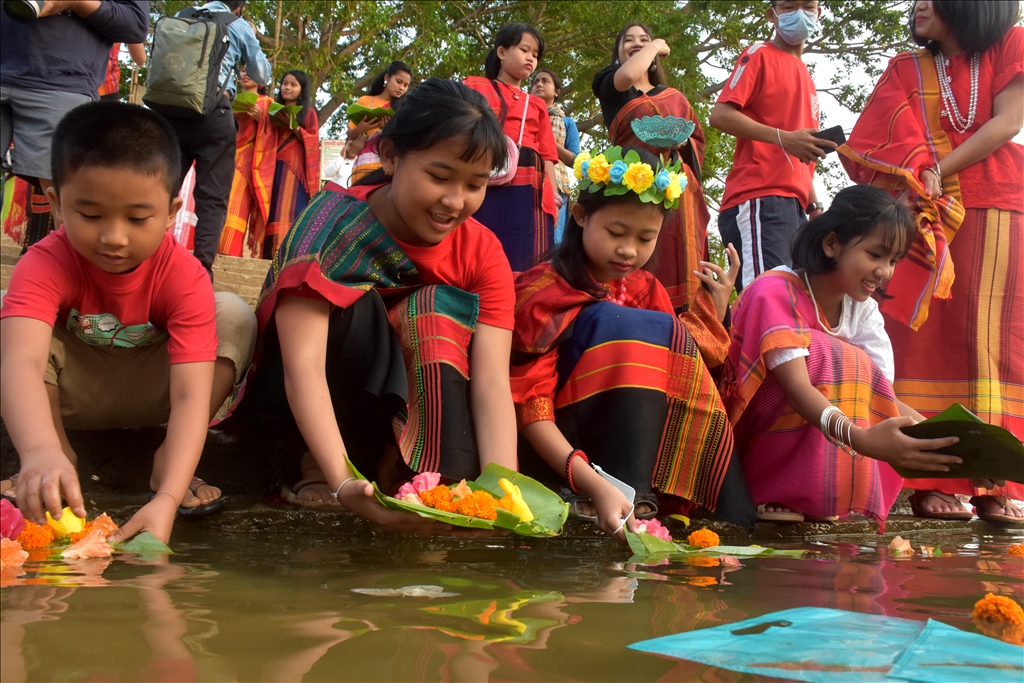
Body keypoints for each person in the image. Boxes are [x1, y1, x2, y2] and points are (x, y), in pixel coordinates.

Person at [235, 79, 517, 534]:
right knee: (367, 305)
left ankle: (427, 475)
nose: (454, 201)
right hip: (310, 407)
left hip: (406, 418)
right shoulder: (332, 225)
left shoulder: (482, 251)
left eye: (475, 185)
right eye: (440, 177)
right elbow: (302, 367)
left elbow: (489, 384)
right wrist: (341, 480)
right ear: (389, 156)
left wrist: (507, 492)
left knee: (436, 309)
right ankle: (314, 465)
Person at [0, 102, 257, 543]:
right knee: (8, 313)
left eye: (138, 218)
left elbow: (193, 393)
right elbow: (21, 363)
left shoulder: (183, 274)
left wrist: (170, 498)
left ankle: (168, 466)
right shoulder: (43, 263)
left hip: (156, 392)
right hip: (72, 394)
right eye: (91, 215)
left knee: (234, 314)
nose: (114, 237)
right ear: (58, 204)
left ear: (172, 210)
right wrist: (39, 450)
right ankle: (54, 461)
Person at [839, 0, 1024, 524]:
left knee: (990, 345)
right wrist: (924, 183)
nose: (918, 4)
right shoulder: (904, 67)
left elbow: (1009, 123)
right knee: (919, 340)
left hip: (997, 207)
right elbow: (874, 141)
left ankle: (997, 479)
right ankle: (929, 479)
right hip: (921, 214)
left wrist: (937, 169)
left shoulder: (1011, 43)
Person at [512, 145, 754, 543]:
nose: (629, 251)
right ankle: (613, 494)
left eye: (646, 238)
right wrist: (588, 479)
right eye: (616, 233)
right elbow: (529, 402)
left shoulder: (646, 287)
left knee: (661, 334)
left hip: (627, 446)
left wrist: (717, 305)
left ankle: (648, 498)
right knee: (621, 322)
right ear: (580, 215)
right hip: (558, 449)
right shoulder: (541, 290)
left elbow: (681, 368)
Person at [720, 186, 964, 526]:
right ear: (831, 243)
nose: (885, 271)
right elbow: (796, 387)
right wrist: (860, 439)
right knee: (831, 355)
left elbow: (882, 398)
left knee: (856, 370)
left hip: (819, 423)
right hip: (745, 431)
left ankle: (819, 492)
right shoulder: (774, 290)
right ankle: (771, 488)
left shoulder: (863, 312)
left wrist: (961, 453)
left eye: (893, 260)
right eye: (875, 255)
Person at [593, 23, 725, 334]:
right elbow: (625, 75)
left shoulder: (674, 97)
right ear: (618, 52)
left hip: (678, 192)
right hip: (631, 188)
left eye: (643, 40)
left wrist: (683, 144)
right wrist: (655, 46)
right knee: (636, 256)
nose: (637, 44)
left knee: (683, 259)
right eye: (628, 41)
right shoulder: (611, 85)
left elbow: (699, 142)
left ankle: (690, 334)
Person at [709, 0, 836, 293]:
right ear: (772, 14)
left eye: (808, 6)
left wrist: (814, 207)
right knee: (767, 301)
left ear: (818, 12)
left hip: (795, 207)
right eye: (790, 7)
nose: (800, 14)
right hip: (759, 199)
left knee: (795, 304)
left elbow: (800, 153)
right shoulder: (759, 54)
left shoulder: (806, 75)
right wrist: (785, 137)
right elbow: (720, 114)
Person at [1, 0, 149, 249]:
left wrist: (77, 2)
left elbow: (135, 27)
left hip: (62, 82)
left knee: (66, 192)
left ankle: (68, 273)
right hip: (62, 83)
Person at [162, 0, 271, 275]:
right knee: (212, 198)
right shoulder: (238, 25)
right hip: (213, 112)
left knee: (161, 188)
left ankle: (150, 258)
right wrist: (251, 38)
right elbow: (261, 74)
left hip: (171, 111)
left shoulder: (182, 15)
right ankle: (199, 272)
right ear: (240, 7)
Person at [464, 23, 559, 272]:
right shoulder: (474, 87)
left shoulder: (537, 105)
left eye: (535, 55)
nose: (530, 58)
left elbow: (547, 156)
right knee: (475, 246)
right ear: (502, 52)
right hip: (479, 177)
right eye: (524, 49)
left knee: (526, 255)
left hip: (530, 185)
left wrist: (552, 201)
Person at [251, 70, 320, 260]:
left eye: (293, 84)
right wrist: (260, 119)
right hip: (273, 168)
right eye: (285, 83)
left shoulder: (309, 115)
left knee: (292, 211)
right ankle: (267, 258)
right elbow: (265, 136)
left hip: (296, 172)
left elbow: (313, 143)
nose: (287, 88)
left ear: (302, 90)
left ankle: (288, 258)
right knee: (271, 209)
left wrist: (295, 128)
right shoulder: (271, 109)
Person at [218, 66, 275, 257]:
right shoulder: (227, 99)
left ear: (262, 80)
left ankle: (229, 253)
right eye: (243, 70)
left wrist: (262, 119)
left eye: (251, 70)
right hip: (223, 157)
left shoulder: (267, 103)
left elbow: (274, 136)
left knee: (235, 206)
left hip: (247, 163)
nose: (246, 74)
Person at [530, 69, 579, 243]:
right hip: (527, 180)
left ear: (557, 91)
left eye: (545, 81)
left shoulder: (566, 123)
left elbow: (574, 159)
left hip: (556, 187)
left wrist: (547, 140)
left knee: (553, 240)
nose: (539, 84)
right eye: (535, 82)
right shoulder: (525, 116)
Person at [346, 61, 412, 149]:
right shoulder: (365, 101)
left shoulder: (404, 108)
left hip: (388, 159)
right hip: (364, 159)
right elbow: (350, 135)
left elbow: (406, 141)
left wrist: (388, 130)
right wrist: (361, 128)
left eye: (405, 85)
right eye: (398, 82)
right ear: (387, 77)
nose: (401, 88)